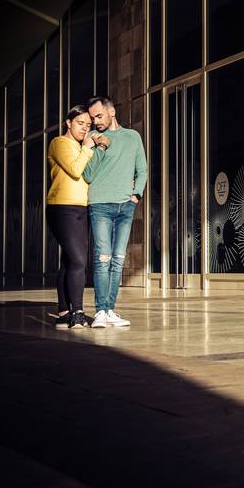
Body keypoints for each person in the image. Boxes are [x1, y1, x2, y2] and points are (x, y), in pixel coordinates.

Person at [83, 96, 147, 328]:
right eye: (92, 118)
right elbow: (88, 174)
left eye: (98, 116)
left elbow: (142, 169)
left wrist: (136, 195)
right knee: (103, 259)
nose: (95, 122)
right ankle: (100, 311)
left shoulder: (132, 136)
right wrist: (100, 146)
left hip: (125, 207)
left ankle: (110, 309)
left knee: (118, 260)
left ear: (111, 112)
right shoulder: (93, 139)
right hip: (100, 204)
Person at [45, 105, 108, 329]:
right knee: (80, 260)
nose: (85, 129)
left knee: (71, 260)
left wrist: (97, 149)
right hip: (61, 207)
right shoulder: (59, 143)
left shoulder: (82, 147)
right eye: (80, 124)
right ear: (68, 123)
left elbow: (90, 174)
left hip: (81, 208)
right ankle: (78, 312)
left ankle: (63, 311)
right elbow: (74, 169)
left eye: (88, 125)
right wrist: (89, 147)